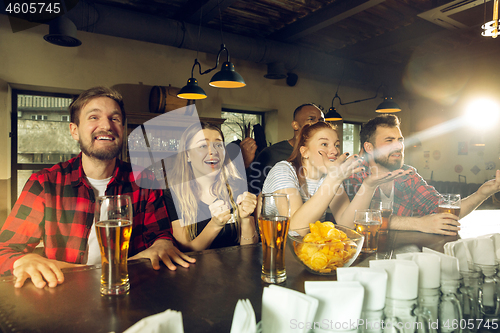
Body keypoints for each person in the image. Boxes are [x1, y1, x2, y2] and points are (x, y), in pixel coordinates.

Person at [0, 86, 195, 289]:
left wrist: (162, 244)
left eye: (115, 119)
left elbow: (161, 235)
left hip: (131, 291)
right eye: (94, 117)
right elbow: (5, 249)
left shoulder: (144, 179)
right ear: (74, 131)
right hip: (65, 293)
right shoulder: (44, 183)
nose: (107, 125)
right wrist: (21, 261)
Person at [343, 114, 500, 235]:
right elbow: (359, 219)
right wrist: (420, 223)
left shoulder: (408, 175)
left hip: (403, 256)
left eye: (400, 140)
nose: (398, 146)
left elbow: (442, 211)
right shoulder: (353, 174)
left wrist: (482, 193)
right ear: (369, 147)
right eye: (389, 140)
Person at [262, 121, 411, 229]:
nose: (334, 151)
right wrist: (334, 179)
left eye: (337, 145)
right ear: (304, 152)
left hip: (307, 254)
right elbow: (295, 229)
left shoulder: (329, 178)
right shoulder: (283, 170)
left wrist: (369, 185)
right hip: (272, 254)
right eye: (324, 144)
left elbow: (347, 224)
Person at [166, 122, 258, 251]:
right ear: (187, 155)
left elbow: (250, 250)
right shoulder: (173, 196)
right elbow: (186, 250)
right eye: (203, 145)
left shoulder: (239, 188)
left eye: (218, 145)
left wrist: (246, 218)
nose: (213, 151)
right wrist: (215, 224)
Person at [248, 103, 325, 194]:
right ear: (295, 125)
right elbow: (255, 191)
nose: (318, 124)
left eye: (321, 120)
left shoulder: (324, 154)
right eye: (311, 119)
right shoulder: (271, 153)